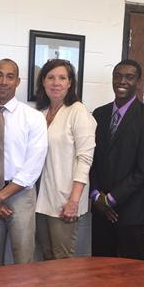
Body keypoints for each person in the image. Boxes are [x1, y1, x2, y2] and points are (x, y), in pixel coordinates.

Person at [0, 59, 47, 267]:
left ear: (18, 82)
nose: (3, 81)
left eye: (10, 76)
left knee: (23, 262)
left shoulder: (33, 118)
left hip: (21, 196)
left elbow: (33, 165)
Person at [90, 59, 144, 260]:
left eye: (129, 77)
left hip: (131, 211)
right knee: (101, 268)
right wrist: (97, 196)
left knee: (133, 273)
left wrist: (111, 199)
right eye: (118, 76)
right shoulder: (99, 114)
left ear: (138, 82)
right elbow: (91, 160)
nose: (122, 81)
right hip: (100, 211)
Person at [35, 59, 96, 260]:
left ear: (70, 83)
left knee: (62, 260)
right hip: (41, 199)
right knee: (46, 256)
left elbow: (85, 158)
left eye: (62, 78)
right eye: (51, 77)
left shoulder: (77, 111)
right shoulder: (41, 114)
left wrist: (73, 201)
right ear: (43, 82)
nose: (56, 82)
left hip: (65, 200)